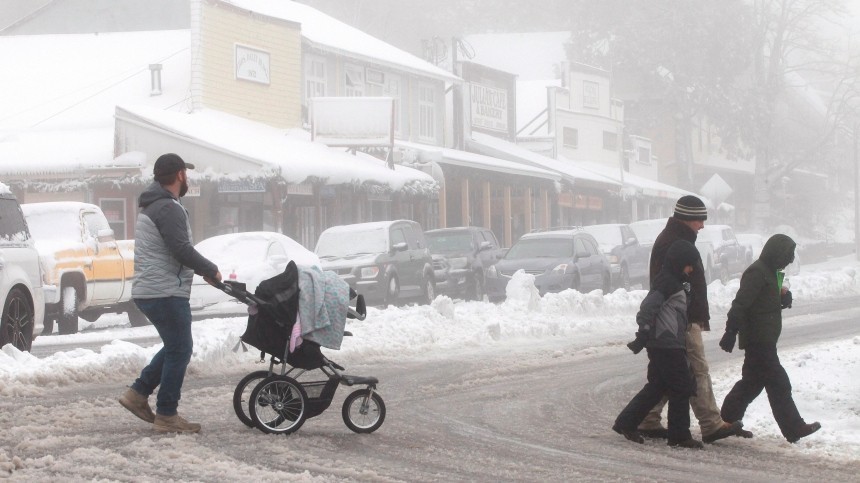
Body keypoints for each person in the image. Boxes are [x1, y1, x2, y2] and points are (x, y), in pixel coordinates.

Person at [118, 153, 221, 433]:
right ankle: (166, 415)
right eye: (185, 173)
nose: (186, 178)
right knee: (181, 348)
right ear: (179, 175)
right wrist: (210, 269)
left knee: (175, 346)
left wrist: (202, 271)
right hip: (164, 291)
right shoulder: (167, 207)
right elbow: (181, 249)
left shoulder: (154, 205)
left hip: (153, 289)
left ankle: (137, 394)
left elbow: (176, 250)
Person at [637, 195, 745, 443]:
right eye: (699, 220)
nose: (702, 226)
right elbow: (671, 284)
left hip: (678, 316)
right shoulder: (674, 243)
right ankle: (711, 424)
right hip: (680, 318)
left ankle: (647, 418)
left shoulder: (676, 239)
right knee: (697, 369)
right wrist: (686, 314)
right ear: (687, 218)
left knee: (671, 373)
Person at [718, 234, 821, 443]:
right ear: (777, 252)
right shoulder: (757, 272)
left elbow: (763, 302)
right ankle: (794, 427)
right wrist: (730, 332)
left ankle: (726, 422)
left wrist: (782, 299)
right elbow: (741, 304)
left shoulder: (771, 273)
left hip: (765, 338)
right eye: (788, 254)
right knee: (779, 382)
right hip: (758, 340)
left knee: (751, 384)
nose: (790, 259)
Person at [613, 240, 703, 449]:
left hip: (666, 343)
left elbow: (677, 308)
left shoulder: (675, 281)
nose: (690, 269)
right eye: (689, 264)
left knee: (658, 386)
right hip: (666, 343)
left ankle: (626, 422)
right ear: (679, 262)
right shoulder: (667, 283)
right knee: (681, 387)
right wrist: (643, 333)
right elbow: (648, 308)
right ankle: (679, 436)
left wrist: (688, 291)